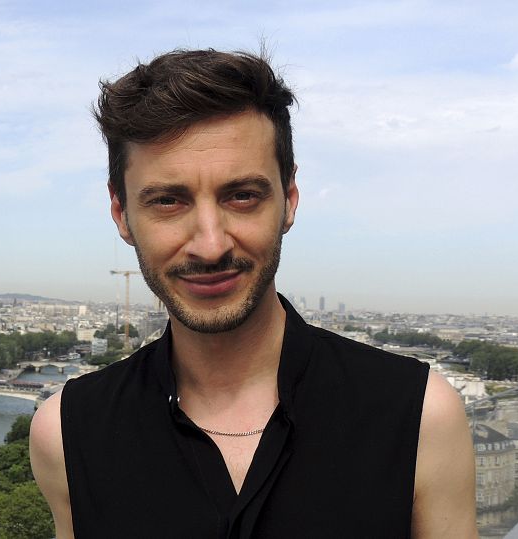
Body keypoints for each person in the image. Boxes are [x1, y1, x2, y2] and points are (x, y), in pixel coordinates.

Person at [30, 48, 477, 539]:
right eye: (168, 201)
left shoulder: (424, 417)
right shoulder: (62, 435)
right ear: (122, 215)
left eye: (242, 195)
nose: (210, 244)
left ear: (289, 201)